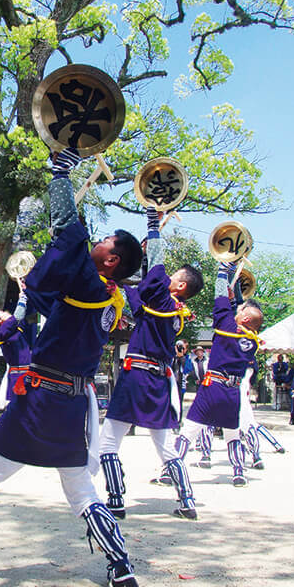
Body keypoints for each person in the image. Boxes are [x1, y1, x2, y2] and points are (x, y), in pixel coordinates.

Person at [0, 147, 144, 587]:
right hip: (70, 403)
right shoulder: (105, 298)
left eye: (103, 245)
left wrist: (62, 173)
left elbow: (69, 233)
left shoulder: (92, 284)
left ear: (110, 262)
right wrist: (33, 274)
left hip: (41, 398)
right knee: (81, 490)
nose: (97, 244)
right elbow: (51, 291)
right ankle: (120, 566)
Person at [98, 206, 203, 521]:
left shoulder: (161, 299)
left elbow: (153, 270)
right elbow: (135, 290)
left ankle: (116, 500)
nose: (166, 277)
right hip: (157, 380)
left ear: (180, 286)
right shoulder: (174, 311)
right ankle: (187, 500)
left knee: (109, 441)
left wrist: (153, 224)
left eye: (174, 277)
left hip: (136, 376)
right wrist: (141, 254)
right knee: (164, 445)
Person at [175, 258, 264, 489]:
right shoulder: (252, 341)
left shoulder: (225, 324)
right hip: (233, 391)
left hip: (212, 386)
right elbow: (238, 316)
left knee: (190, 429)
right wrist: (237, 302)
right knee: (232, 434)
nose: (240, 307)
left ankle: (170, 469)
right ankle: (238, 473)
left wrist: (223, 271)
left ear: (243, 318)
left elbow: (219, 297)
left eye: (243, 309)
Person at [0, 280, 32, 415]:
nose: (6, 312)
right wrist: (22, 298)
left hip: (26, 373)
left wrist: (25, 293)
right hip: (18, 375)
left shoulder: (12, 328)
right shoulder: (1, 332)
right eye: (2, 313)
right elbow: (18, 315)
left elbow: (21, 315)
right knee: (18, 412)